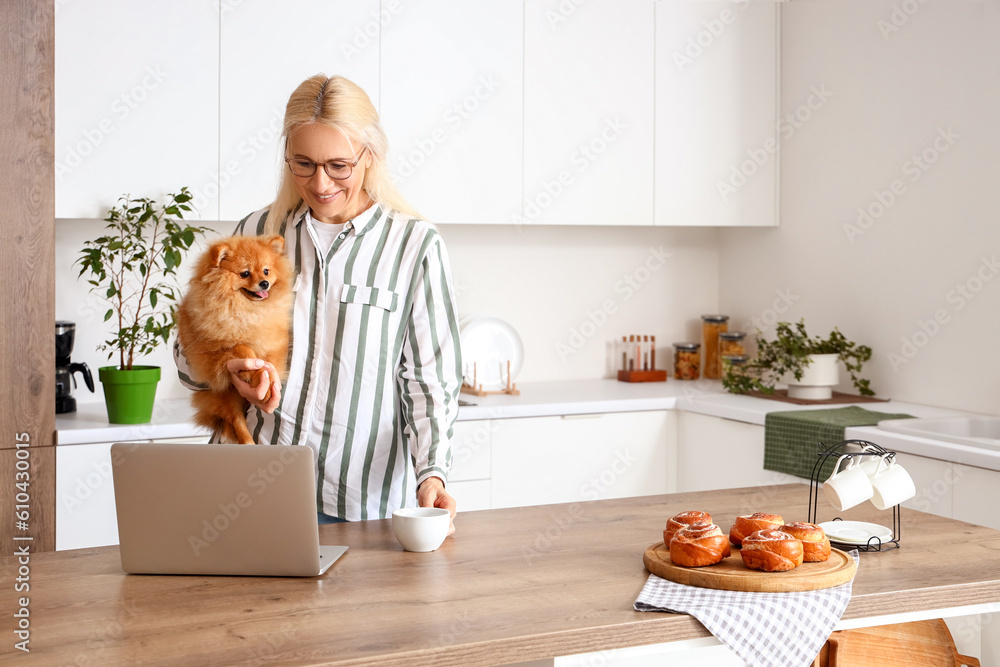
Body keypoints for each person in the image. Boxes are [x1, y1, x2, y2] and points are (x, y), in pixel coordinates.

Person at [175, 75, 462, 531]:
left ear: (371, 156)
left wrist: (433, 472)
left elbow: (429, 379)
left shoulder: (414, 245)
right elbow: (189, 361)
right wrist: (223, 369)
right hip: (243, 486)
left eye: (339, 165)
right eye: (303, 163)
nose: (320, 182)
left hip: (353, 503)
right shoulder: (257, 232)